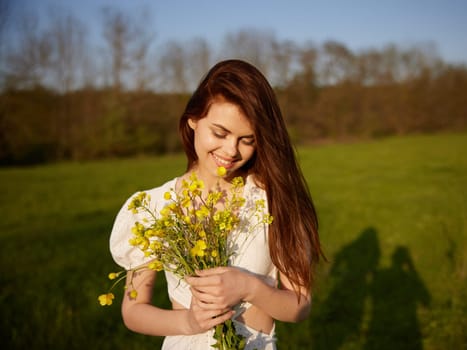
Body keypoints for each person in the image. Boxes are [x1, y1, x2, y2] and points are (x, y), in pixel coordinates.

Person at [109, 59, 323, 349]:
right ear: (193, 119)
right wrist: (189, 323)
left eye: (248, 140)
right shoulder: (153, 206)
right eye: (220, 133)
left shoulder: (275, 199)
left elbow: (300, 306)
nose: (231, 150)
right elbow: (133, 311)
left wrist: (249, 287)